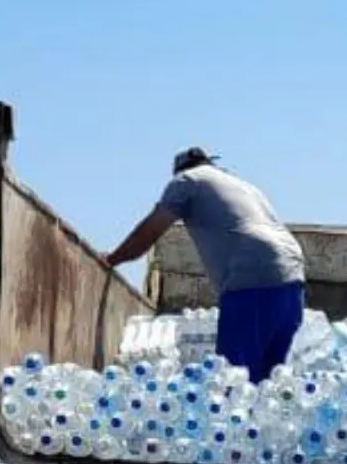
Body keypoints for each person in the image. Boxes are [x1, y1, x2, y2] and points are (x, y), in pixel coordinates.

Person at [105, 148, 307, 383]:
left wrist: (112, 259)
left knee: (233, 380)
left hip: (251, 274)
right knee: (270, 383)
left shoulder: (186, 180)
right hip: (292, 278)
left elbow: (148, 233)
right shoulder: (244, 185)